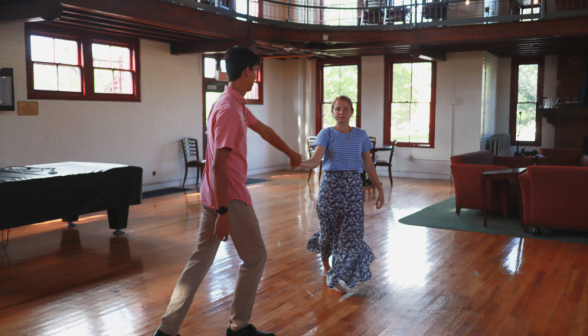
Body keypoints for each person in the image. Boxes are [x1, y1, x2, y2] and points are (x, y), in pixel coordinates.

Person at [154, 46, 302, 336]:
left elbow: (263, 129)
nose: (257, 77)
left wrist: (290, 153)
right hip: (229, 198)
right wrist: (223, 212)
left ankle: (166, 330)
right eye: (256, 71)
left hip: (216, 195)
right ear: (247, 71)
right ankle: (238, 327)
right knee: (256, 257)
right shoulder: (228, 109)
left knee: (199, 263)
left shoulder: (233, 103)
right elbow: (219, 166)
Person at [298, 95, 384, 294]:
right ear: (332, 112)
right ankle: (328, 270)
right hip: (331, 186)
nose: (341, 112)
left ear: (352, 112)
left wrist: (379, 188)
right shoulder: (326, 134)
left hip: (354, 186)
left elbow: (368, 164)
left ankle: (337, 272)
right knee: (328, 230)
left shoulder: (361, 135)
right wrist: (298, 161)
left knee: (352, 232)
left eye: (345, 109)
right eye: (337, 109)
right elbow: (314, 160)